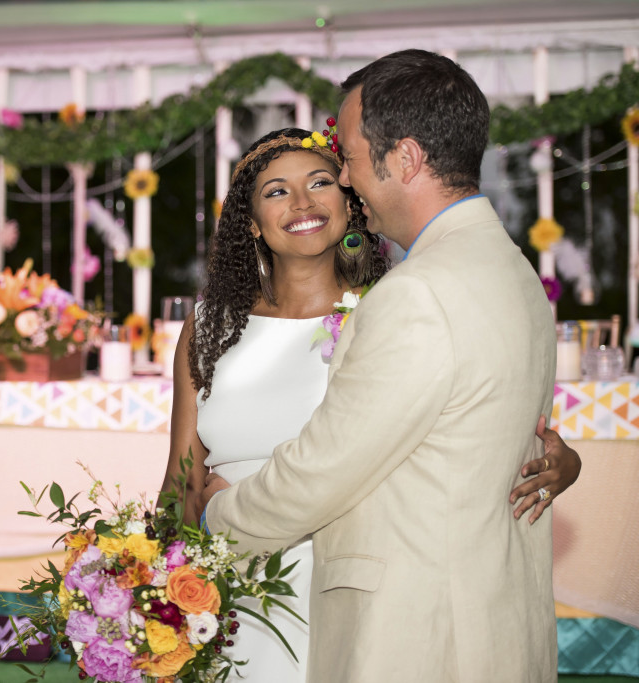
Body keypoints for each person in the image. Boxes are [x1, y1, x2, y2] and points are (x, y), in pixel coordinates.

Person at [162, 96, 579, 681]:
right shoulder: (209, 326)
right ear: (251, 221)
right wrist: (157, 588)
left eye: (320, 182)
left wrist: (560, 461)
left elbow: (468, 424)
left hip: (340, 584)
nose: (302, 203)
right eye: (277, 191)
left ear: (349, 198)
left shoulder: (391, 310)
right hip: (226, 590)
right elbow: (181, 478)